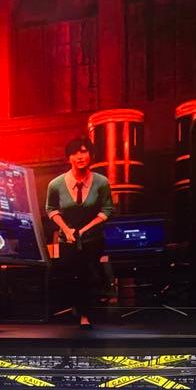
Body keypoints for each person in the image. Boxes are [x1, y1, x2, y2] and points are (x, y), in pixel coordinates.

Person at [46, 136, 114, 327]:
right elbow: (51, 209)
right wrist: (66, 230)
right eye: (75, 153)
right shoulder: (55, 184)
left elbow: (107, 209)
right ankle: (76, 311)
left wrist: (85, 229)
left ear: (91, 155)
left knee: (90, 275)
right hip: (67, 239)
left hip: (93, 238)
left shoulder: (101, 182)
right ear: (68, 157)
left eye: (84, 152)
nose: (80, 156)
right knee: (71, 276)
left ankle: (87, 315)